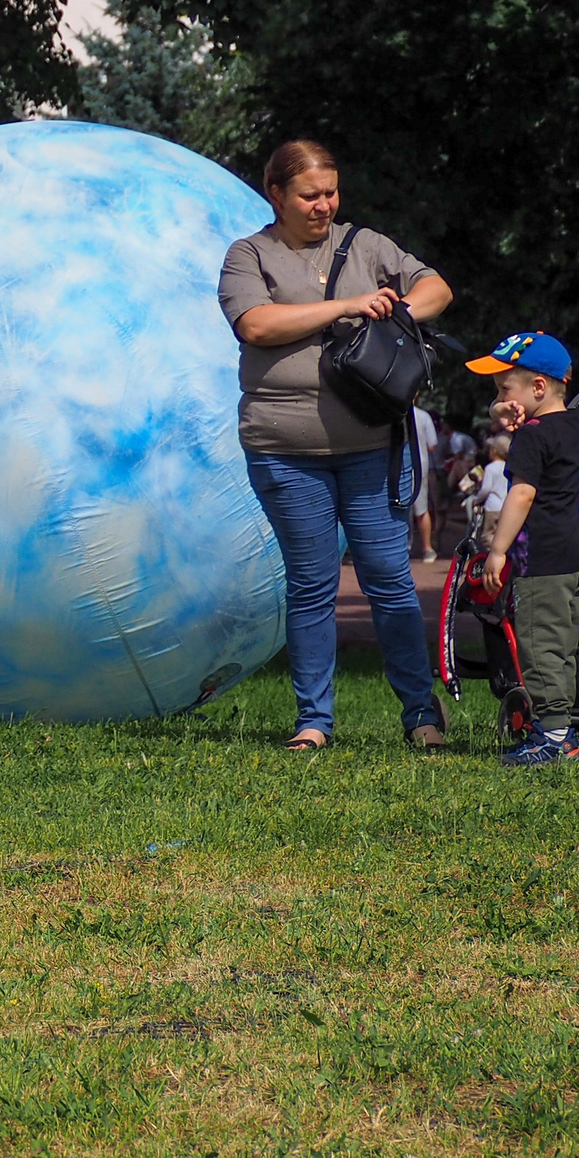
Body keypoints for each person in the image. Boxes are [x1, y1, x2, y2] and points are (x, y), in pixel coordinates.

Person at [218, 139, 455, 751]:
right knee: (311, 584)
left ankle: (421, 716)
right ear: (276, 194)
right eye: (309, 195)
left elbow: (437, 289)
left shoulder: (368, 245)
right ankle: (314, 721)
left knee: (389, 580)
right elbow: (257, 324)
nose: (324, 205)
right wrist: (348, 305)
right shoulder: (249, 255)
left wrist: (398, 308)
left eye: (331, 192)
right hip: (284, 451)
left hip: (373, 448)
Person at [471, 332, 579, 766]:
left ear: (537, 388)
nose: (500, 397)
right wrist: (502, 408)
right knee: (561, 649)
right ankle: (560, 729)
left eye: (505, 387)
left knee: (539, 649)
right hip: (576, 557)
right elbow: (507, 411)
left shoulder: (531, 438)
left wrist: (498, 550)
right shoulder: (570, 424)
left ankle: (554, 740)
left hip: (542, 561)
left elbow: (520, 495)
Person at [408, 405, 440, 561]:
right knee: (421, 509)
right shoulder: (423, 416)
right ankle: (427, 548)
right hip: (420, 466)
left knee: (399, 509)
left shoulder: (391, 412)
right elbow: (432, 445)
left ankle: (404, 547)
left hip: (396, 466)